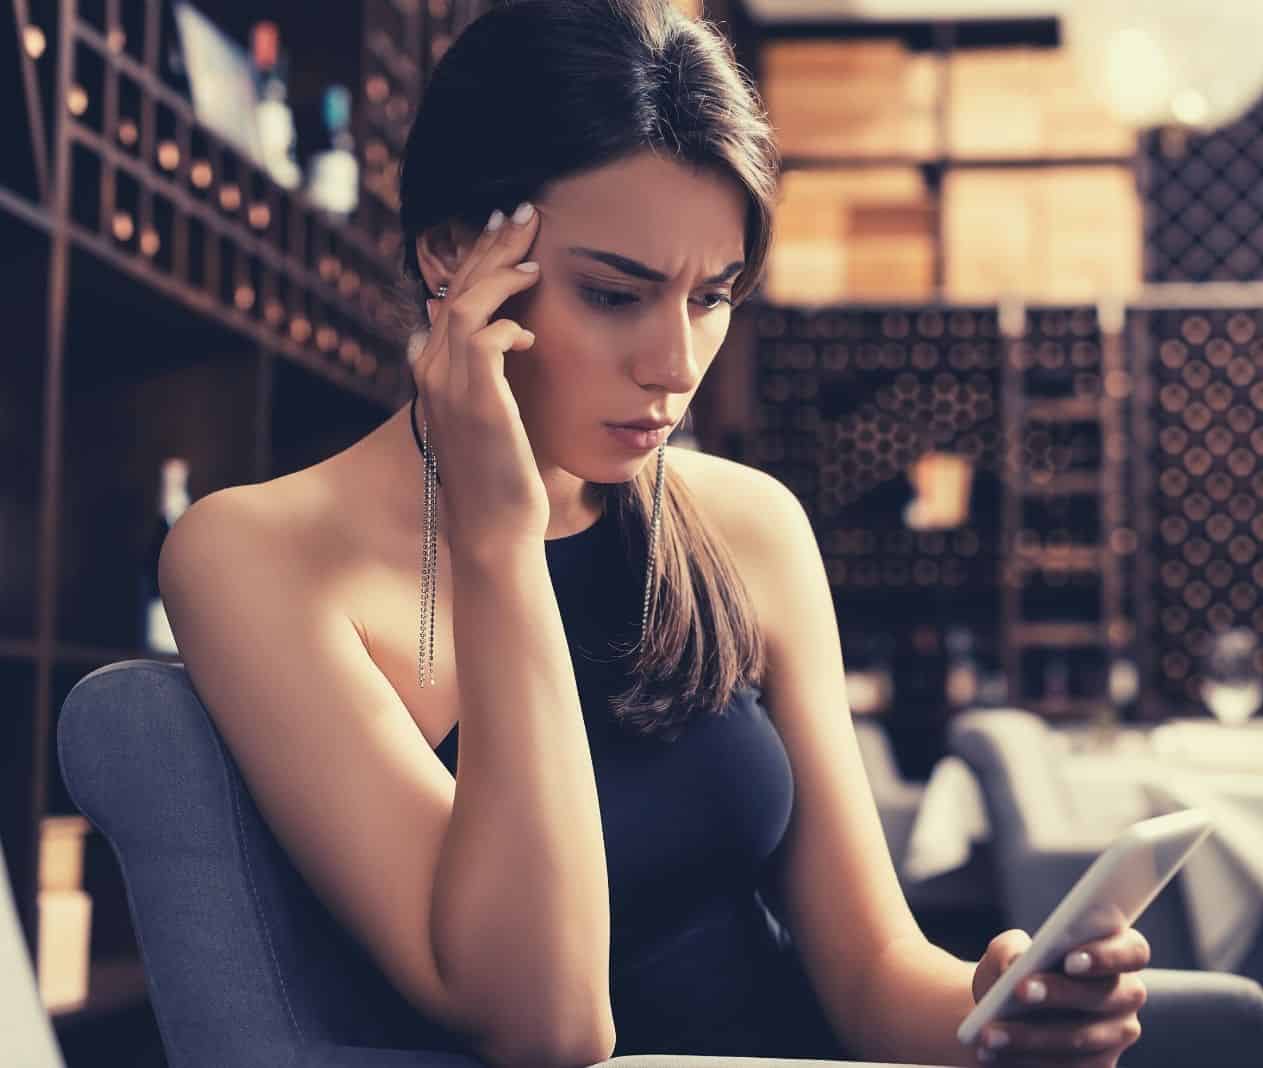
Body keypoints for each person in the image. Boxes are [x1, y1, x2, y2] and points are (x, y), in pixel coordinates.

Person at [158, 2, 1149, 1065]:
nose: (676, 363)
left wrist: (997, 1014)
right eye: (613, 293)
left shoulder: (748, 527)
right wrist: (500, 545)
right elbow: (547, 1026)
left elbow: (866, 975)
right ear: (454, 255)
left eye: (711, 297)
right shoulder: (255, 557)